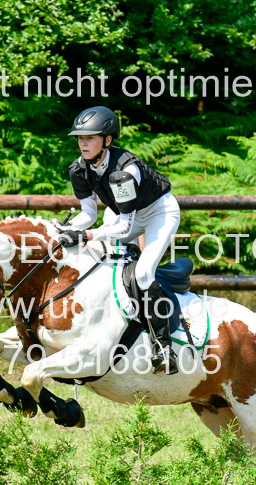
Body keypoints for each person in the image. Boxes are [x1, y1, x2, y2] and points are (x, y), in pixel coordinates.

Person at [57, 105, 181, 374]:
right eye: (80, 138)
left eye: (89, 138)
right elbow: (88, 214)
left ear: (107, 140)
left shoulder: (125, 171)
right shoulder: (79, 169)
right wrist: (64, 229)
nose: (82, 143)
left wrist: (87, 235)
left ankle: (164, 348)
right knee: (93, 257)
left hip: (159, 213)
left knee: (144, 273)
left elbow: (124, 227)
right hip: (127, 214)